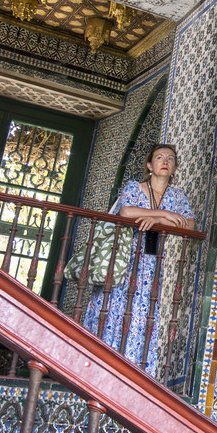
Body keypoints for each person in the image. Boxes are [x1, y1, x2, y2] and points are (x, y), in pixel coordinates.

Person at [83, 143, 194, 373]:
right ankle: (100, 367)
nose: (165, 161)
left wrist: (155, 221)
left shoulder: (178, 196)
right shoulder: (135, 187)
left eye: (171, 159)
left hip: (152, 265)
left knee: (142, 316)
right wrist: (164, 214)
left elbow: (189, 224)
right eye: (160, 157)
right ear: (149, 165)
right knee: (115, 308)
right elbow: (126, 212)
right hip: (125, 260)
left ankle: (133, 371)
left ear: (174, 168)